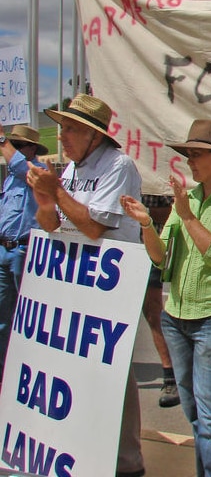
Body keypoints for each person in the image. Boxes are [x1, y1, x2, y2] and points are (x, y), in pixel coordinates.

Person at [121, 119, 211, 476]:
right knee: (197, 414)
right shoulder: (190, 197)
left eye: (197, 154)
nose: (190, 161)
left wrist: (185, 215)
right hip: (179, 318)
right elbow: (159, 257)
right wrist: (147, 225)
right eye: (188, 154)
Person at [26, 93, 145, 477]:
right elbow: (52, 224)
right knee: (75, 369)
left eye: (72, 130)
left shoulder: (118, 165)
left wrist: (57, 190)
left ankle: (127, 463)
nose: (63, 137)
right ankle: (81, 449)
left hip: (109, 287)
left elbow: (94, 226)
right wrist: (44, 199)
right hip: (77, 284)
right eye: (62, 129)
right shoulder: (73, 170)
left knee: (112, 372)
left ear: (95, 136)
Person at [0, 124, 47, 385]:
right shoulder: (10, 178)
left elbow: (19, 165)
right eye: (12, 145)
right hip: (4, 249)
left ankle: (27, 365)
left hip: (23, 249)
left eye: (18, 146)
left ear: (31, 150)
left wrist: (1, 138)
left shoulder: (37, 171)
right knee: (2, 315)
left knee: (26, 315)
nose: (12, 151)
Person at [140, 194, 180, 409]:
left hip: (147, 247)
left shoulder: (150, 177)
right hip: (114, 246)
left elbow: (171, 213)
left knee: (153, 312)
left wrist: (138, 213)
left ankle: (171, 375)